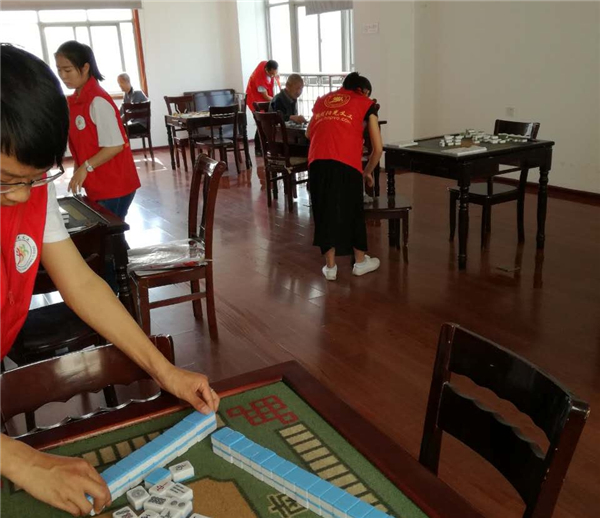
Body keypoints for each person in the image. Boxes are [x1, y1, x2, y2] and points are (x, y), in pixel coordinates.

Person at [0, 44, 220, 517]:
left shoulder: (32, 190)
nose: (21, 195)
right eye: (5, 179)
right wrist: (21, 460)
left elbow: (81, 283)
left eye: (35, 179)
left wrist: (164, 371)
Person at [305, 72, 383, 280]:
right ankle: (360, 262)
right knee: (353, 210)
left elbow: (308, 133)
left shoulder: (323, 100)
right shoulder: (366, 104)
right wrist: (367, 172)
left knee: (323, 211)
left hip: (317, 161)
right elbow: (378, 148)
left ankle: (330, 267)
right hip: (346, 162)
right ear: (363, 91)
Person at [55, 41, 140, 221]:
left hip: (115, 184)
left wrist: (84, 168)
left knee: (110, 233)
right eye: (59, 70)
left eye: (68, 70)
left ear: (85, 68)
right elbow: (83, 144)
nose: (63, 76)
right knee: (107, 233)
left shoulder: (97, 101)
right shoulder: (75, 101)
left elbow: (115, 145)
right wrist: (79, 170)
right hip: (98, 182)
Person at [245, 59, 279, 156]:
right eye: (271, 74)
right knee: (261, 123)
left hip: (265, 102)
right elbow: (265, 96)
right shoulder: (259, 78)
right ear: (267, 70)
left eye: (275, 73)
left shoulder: (266, 64)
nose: (273, 76)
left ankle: (267, 146)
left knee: (267, 123)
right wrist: (277, 100)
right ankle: (258, 148)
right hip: (254, 101)